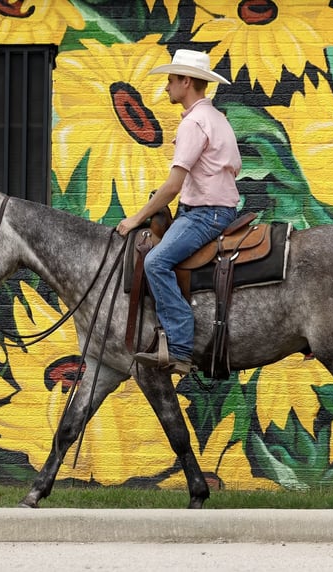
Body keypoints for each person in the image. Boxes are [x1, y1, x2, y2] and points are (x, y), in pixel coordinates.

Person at [116, 49, 242, 375]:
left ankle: (180, 346)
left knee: (156, 262)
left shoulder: (195, 123)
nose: (167, 87)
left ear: (187, 81)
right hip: (220, 210)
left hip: (205, 214)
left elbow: (173, 185)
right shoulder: (217, 118)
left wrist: (135, 219)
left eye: (171, 80)